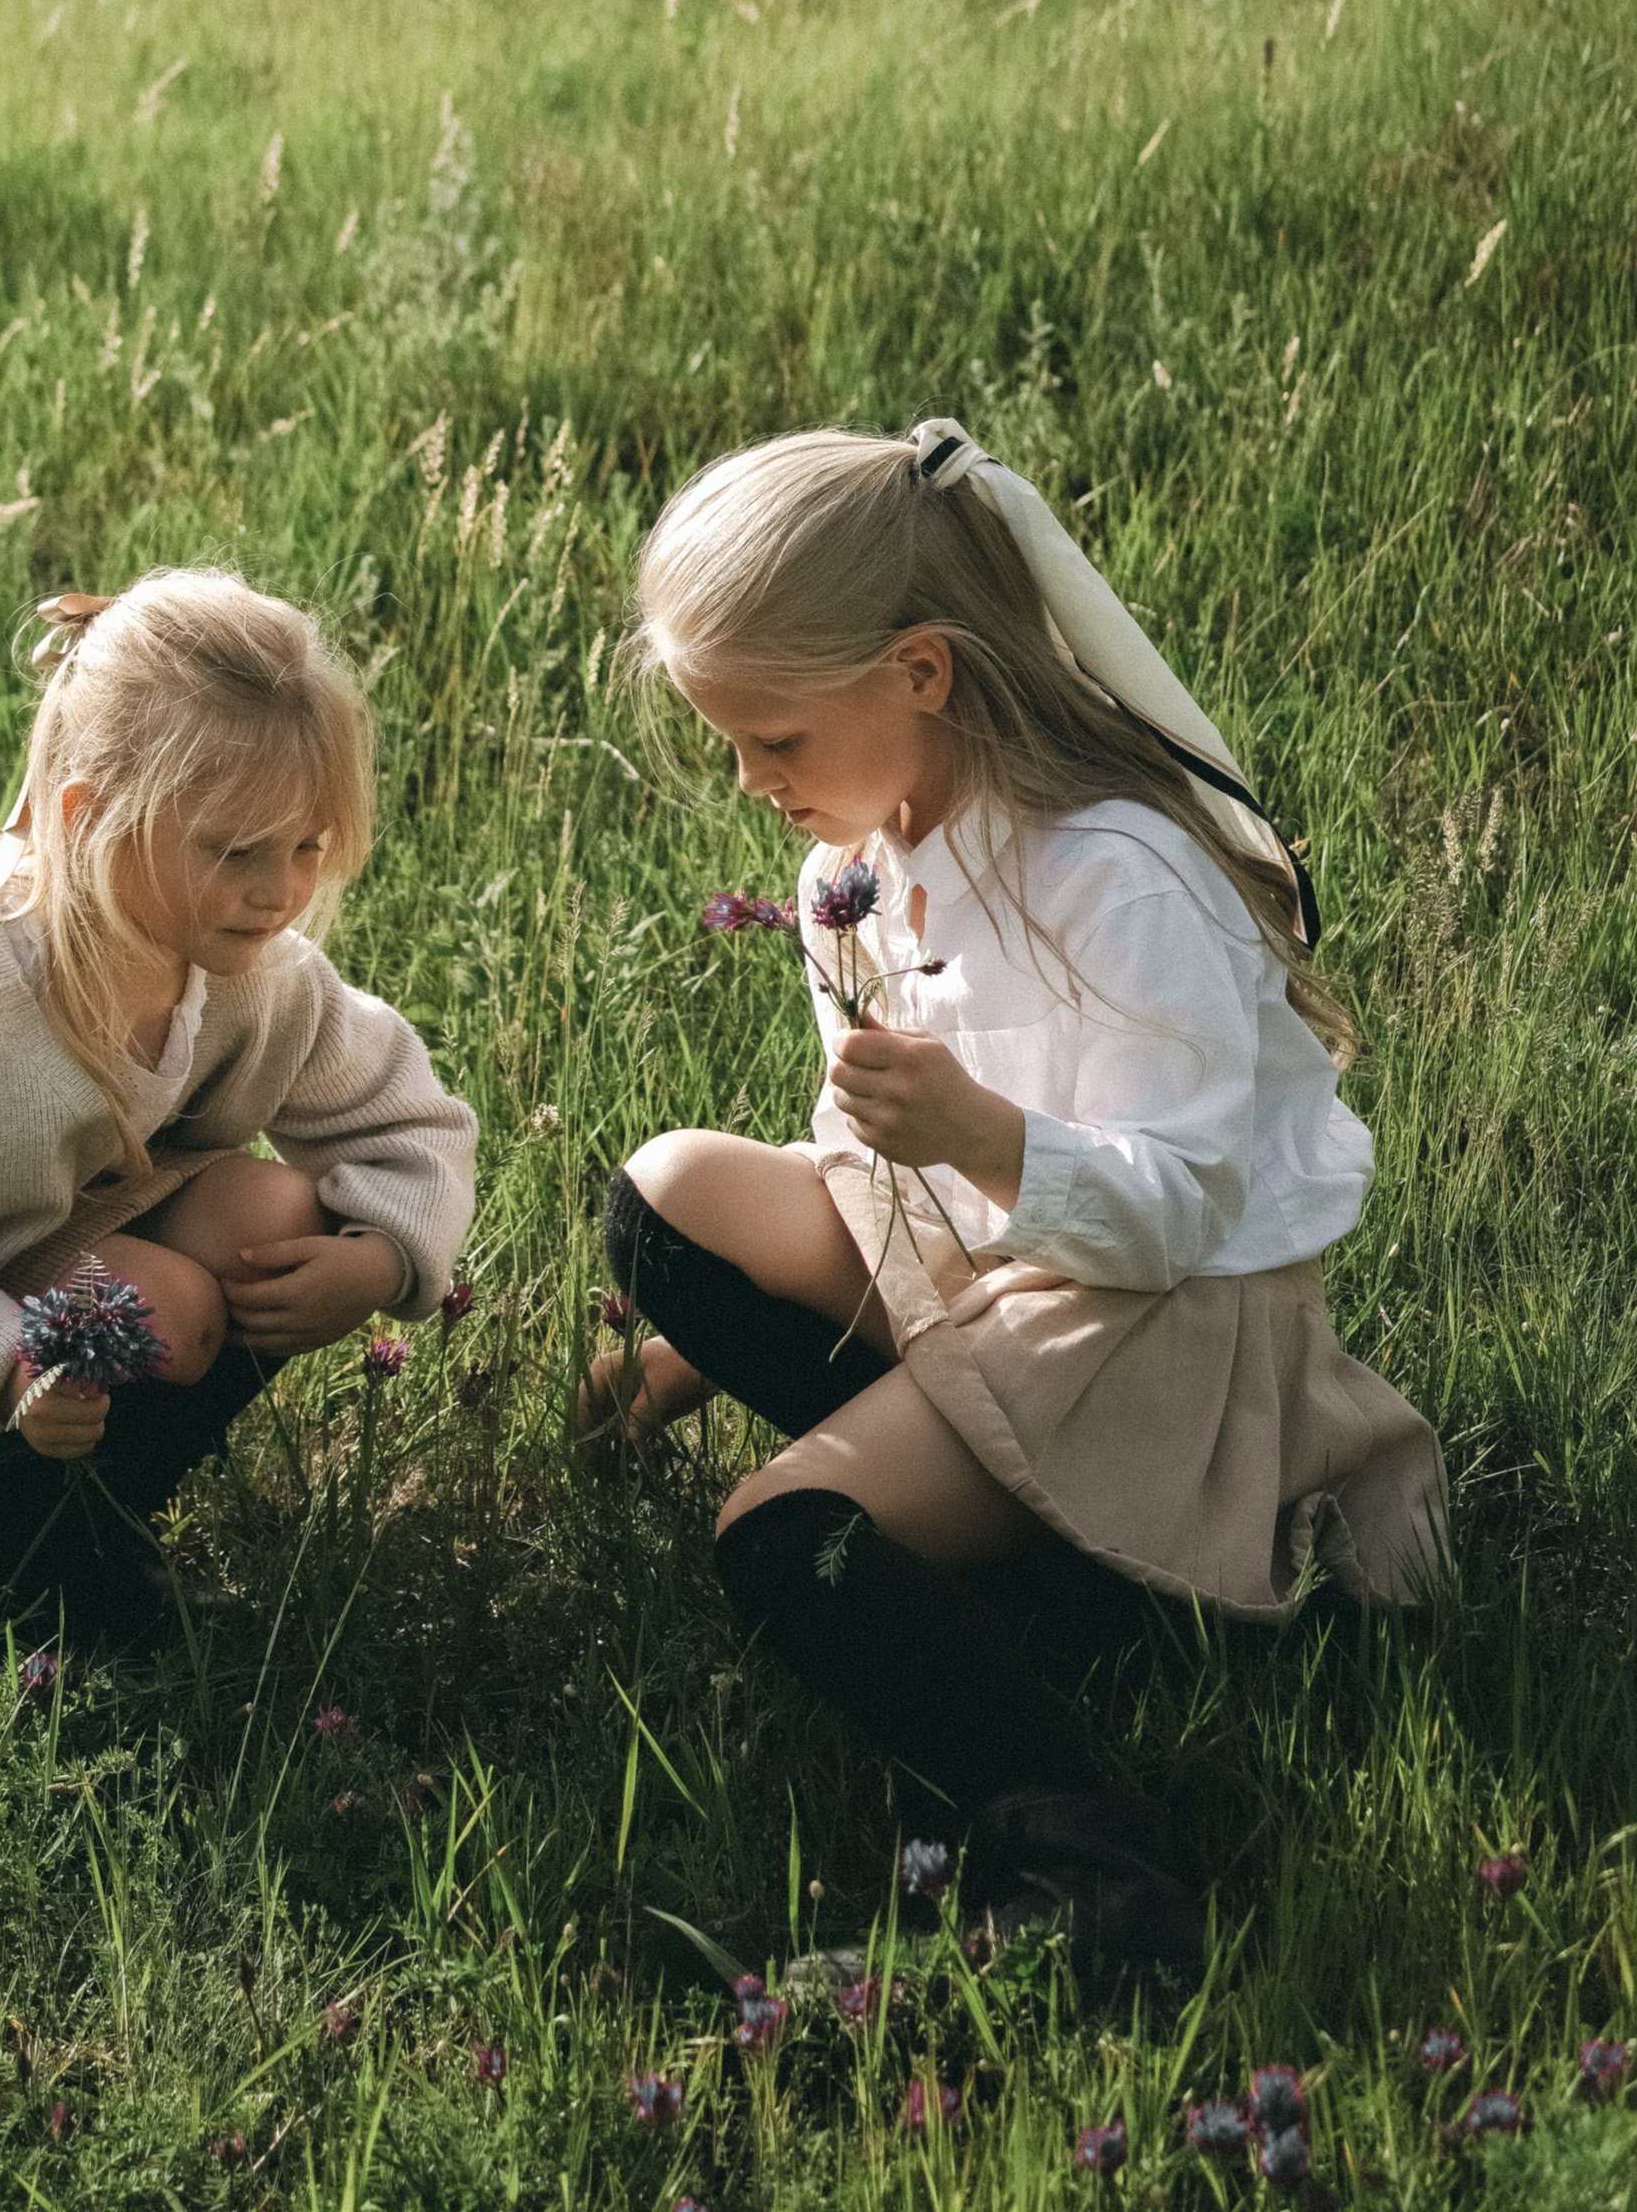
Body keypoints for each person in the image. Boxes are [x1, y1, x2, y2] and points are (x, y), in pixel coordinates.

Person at [581, 419, 1445, 1982]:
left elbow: (1184, 1215)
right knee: (667, 1195)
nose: (750, 781)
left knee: (781, 1539)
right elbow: (864, 1143)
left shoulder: (1117, 876)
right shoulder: (856, 866)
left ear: (920, 672)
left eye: (775, 739)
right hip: (987, 1267)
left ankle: (1088, 1863)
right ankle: (1004, 1542)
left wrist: (984, 1134)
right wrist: (694, 1346)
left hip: (1150, 1329)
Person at [0, 569, 475, 1640]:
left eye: (307, 846)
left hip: (55, 1238)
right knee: (157, 1309)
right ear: (88, 819)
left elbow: (405, 1117)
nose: (279, 891)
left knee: (280, 1222)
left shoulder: (252, 970)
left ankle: (92, 1534)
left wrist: (382, 1258)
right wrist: (5, 1369)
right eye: (235, 850)